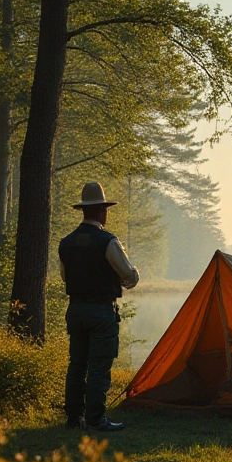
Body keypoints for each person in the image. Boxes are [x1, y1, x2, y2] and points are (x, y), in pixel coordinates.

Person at [58, 182, 140, 431]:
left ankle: (74, 418)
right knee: (99, 366)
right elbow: (129, 276)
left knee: (77, 365)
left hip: (75, 310)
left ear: (84, 210)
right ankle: (96, 420)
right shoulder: (108, 242)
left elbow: (64, 277)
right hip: (101, 311)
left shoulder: (66, 243)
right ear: (102, 211)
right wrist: (131, 275)